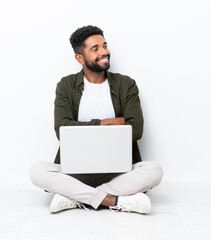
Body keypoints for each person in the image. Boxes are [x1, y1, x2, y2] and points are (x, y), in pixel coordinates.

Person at [29, 25, 163, 214]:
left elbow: (136, 129)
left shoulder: (126, 84)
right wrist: (106, 122)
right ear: (79, 58)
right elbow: (62, 128)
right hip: (77, 173)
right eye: (95, 49)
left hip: (119, 173)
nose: (104, 52)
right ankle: (114, 200)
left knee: (154, 170)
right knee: (37, 170)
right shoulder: (66, 85)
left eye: (104, 46)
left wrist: (84, 126)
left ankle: (75, 198)